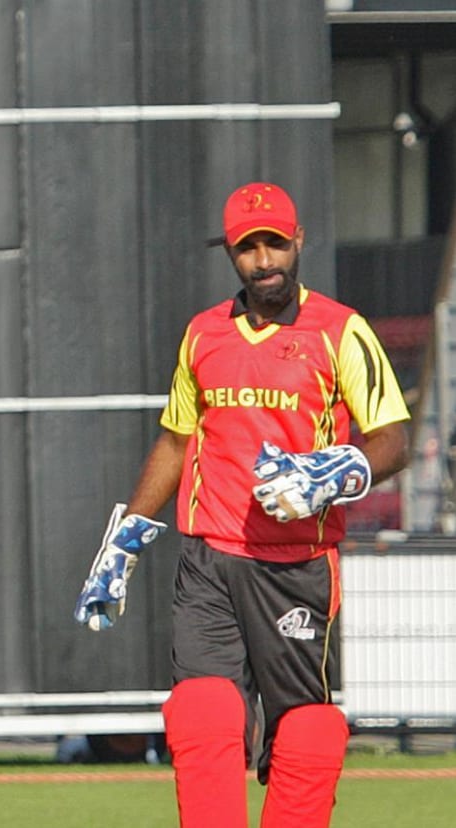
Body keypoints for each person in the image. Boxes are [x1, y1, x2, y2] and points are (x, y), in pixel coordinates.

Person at [75, 182, 410, 828]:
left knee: (306, 732)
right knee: (203, 714)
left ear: (299, 240)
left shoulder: (341, 330)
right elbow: (175, 443)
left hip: (297, 566)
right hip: (209, 560)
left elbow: (392, 438)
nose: (264, 261)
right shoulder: (203, 334)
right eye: (248, 248)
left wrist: (333, 472)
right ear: (230, 252)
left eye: (275, 244)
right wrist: (124, 541)